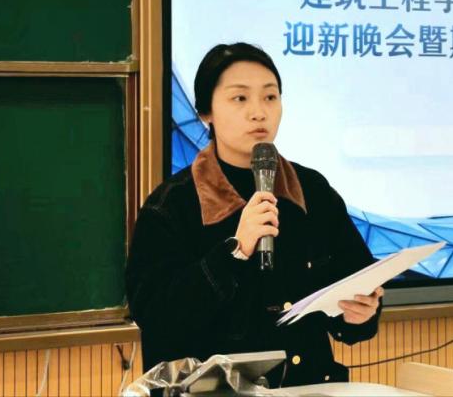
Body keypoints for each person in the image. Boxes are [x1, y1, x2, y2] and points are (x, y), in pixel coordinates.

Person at [126, 43, 383, 387]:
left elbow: (354, 291)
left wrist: (361, 315)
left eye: (270, 97)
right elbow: (157, 317)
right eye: (240, 98)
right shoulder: (173, 205)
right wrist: (234, 251)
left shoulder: (312, 191)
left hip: (309, 387)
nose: (259, 112)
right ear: (205, 112)